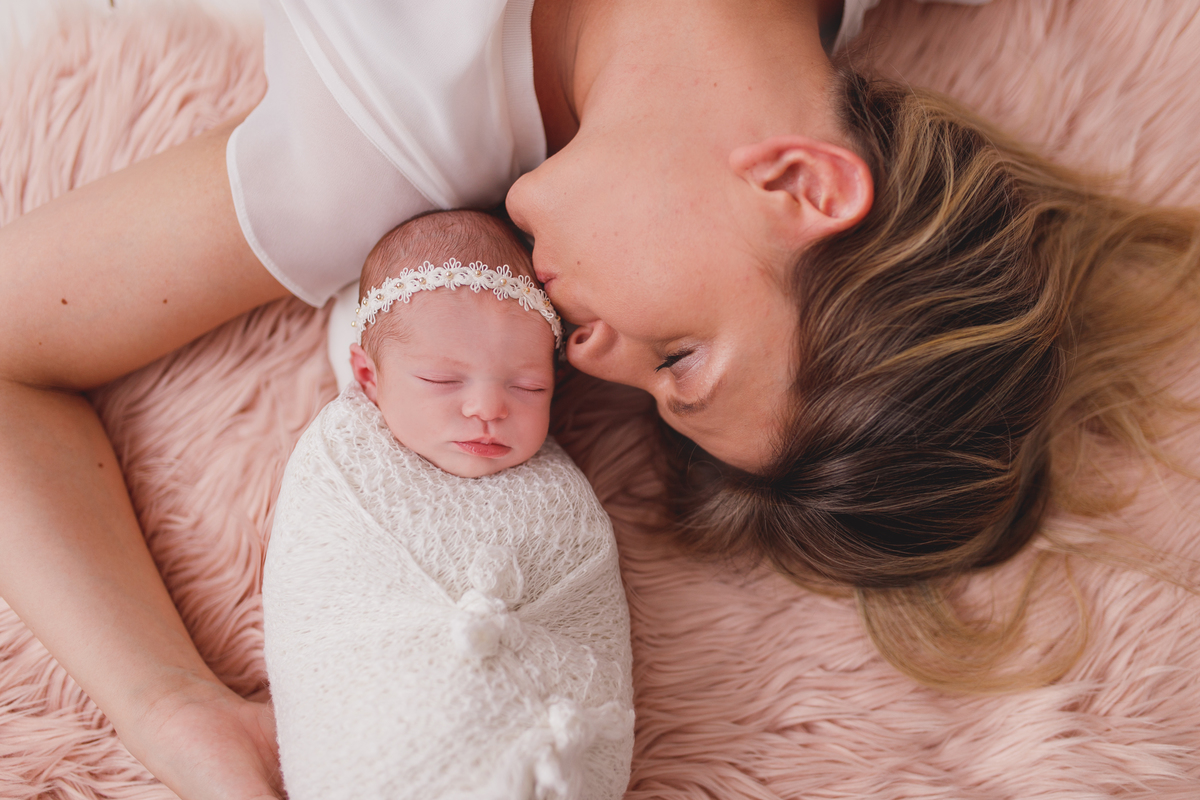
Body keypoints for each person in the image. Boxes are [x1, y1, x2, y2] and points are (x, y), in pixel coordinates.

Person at [3, 0, 1193, 798]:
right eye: (681, 357)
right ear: (797, 182)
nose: (586, 356)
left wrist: (173, 709)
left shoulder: (388, 150)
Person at [263, 210, 633, 799]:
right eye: (442, 381)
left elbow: (584, 617)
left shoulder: (558, 497)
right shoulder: (342, 464)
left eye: (528, 386)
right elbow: (320, 609)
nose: (488, 407)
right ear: (368, 375)